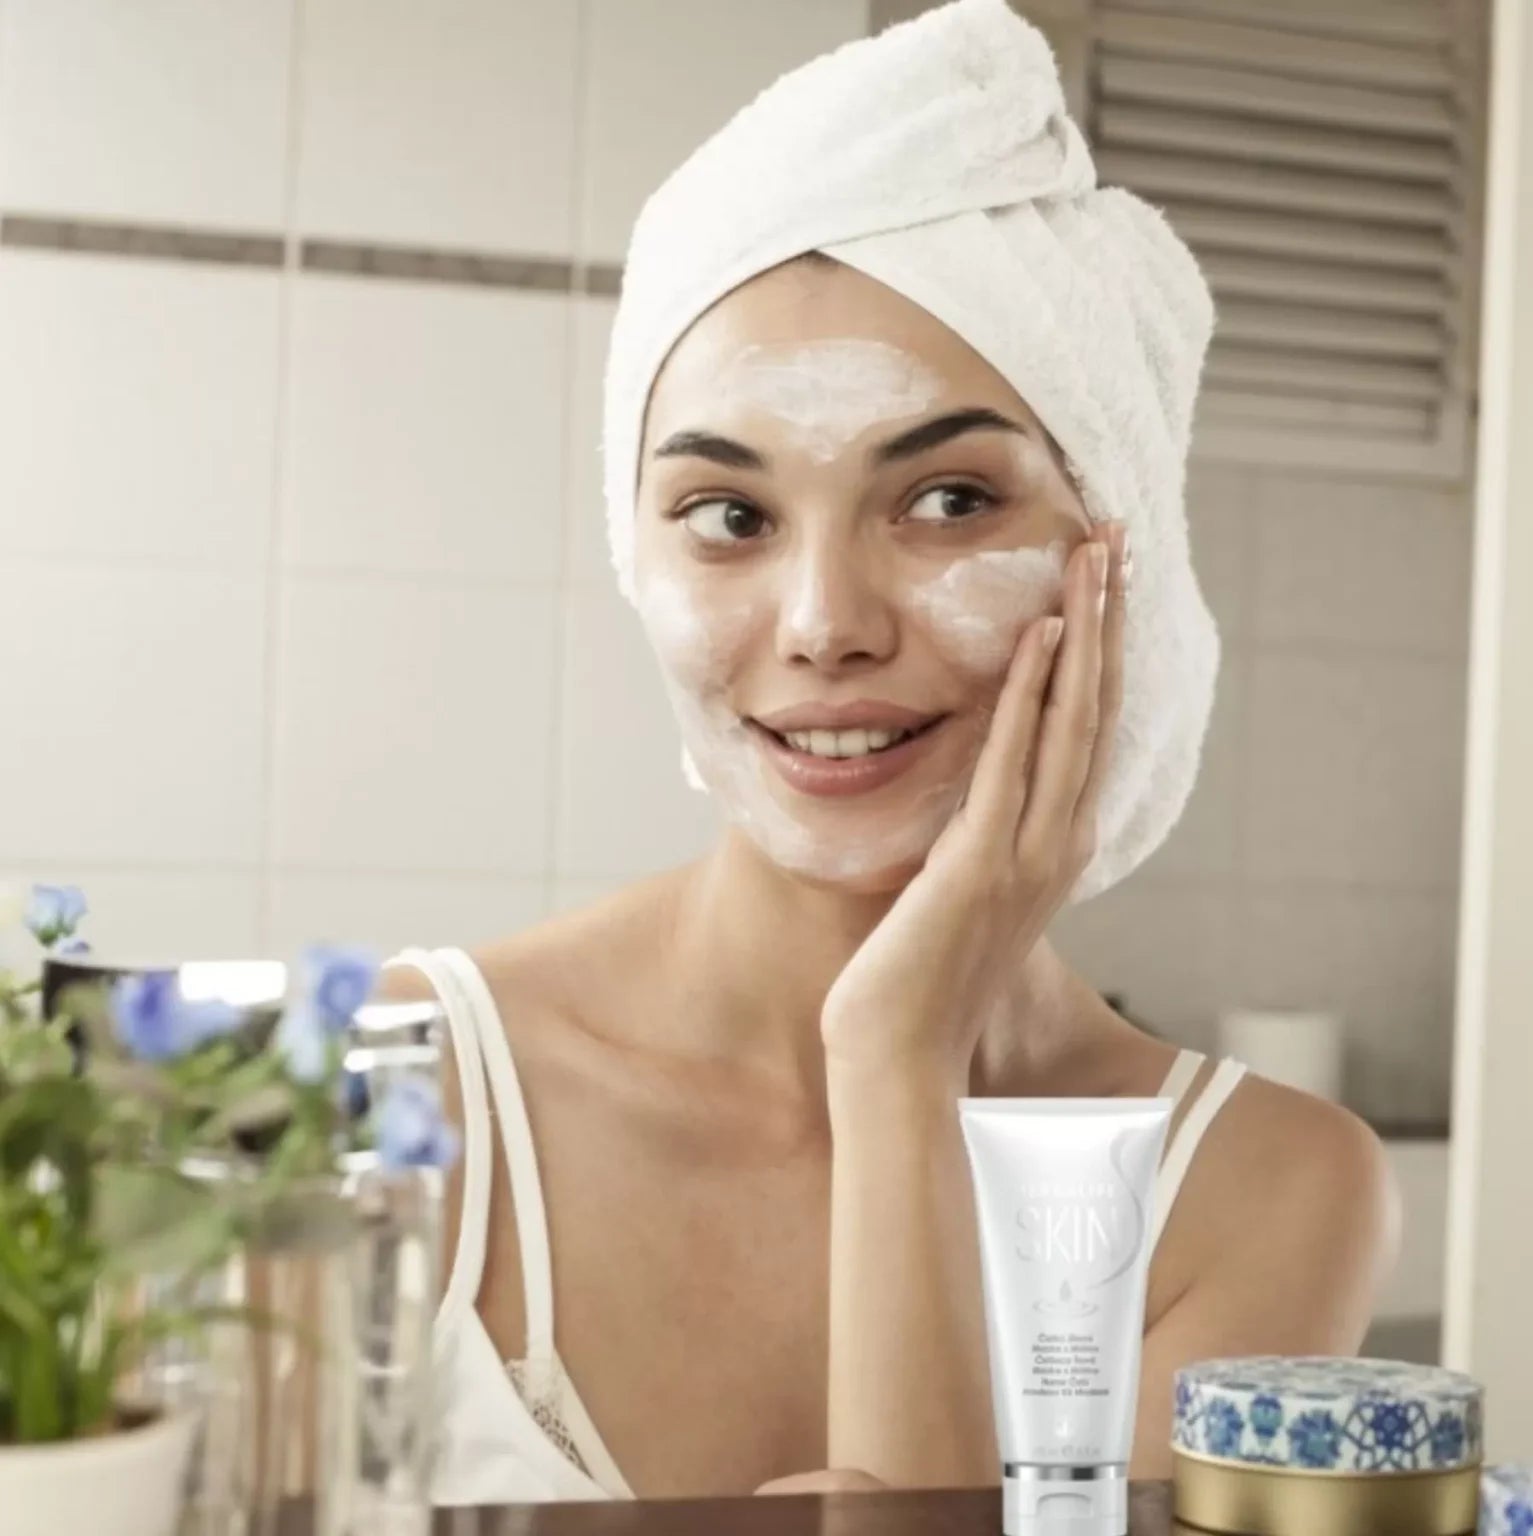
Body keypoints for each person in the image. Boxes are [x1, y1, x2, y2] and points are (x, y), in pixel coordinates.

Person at [385, 0, 1398, 1504]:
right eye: (729, 516)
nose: (823, 626)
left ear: (1118, 561)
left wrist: (899, 1062)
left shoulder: (1266, 1192)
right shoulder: (404, 1092)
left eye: (947, 503)